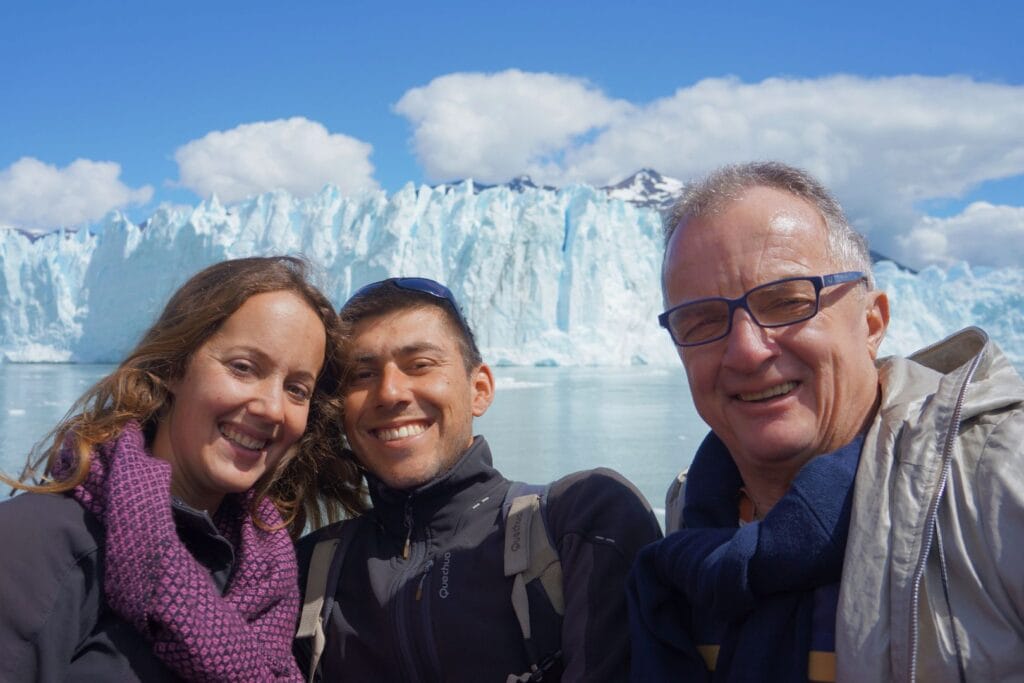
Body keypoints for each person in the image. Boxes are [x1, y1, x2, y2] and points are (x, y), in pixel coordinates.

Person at [628, 161, 1024, 682]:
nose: (746, 352)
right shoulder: (694, 513)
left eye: (788, 302)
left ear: (872, 323)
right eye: (701, 320)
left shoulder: (992, 477)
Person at [0, 256, 365, 682]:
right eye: (243, 367)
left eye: (296, 389)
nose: (271, 408)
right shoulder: (40, 543)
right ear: (174, 367)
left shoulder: (269, 573)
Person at [294, 277, 663, 682]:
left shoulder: (579, 522)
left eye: (420, 365)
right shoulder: (310, 570)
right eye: (361, 375)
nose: (390, 392)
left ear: (480, 389)